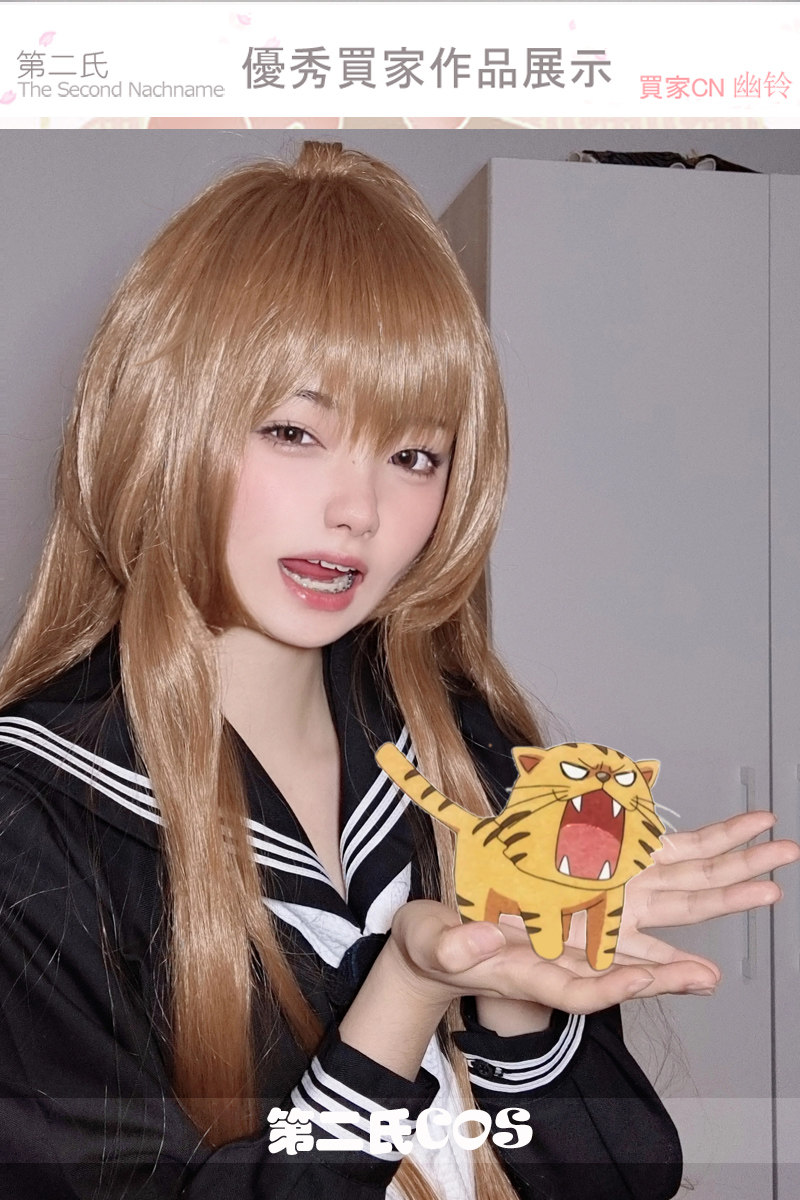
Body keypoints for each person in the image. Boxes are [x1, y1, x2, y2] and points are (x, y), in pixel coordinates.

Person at [0, 140, 795, 1200]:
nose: (359, 511)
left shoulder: (463, 749)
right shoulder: (36, 822)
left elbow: (618, 1175)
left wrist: (517, 1004)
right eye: (293, 431)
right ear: (158, 421)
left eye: (413, 455)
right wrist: (404, 993)